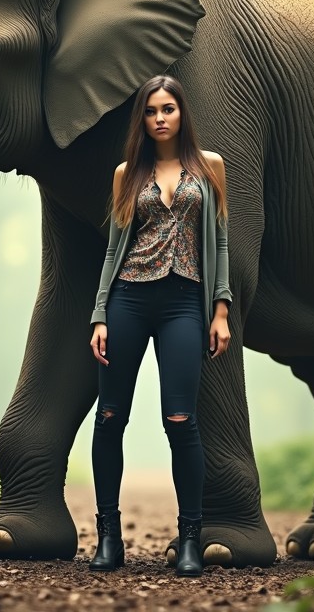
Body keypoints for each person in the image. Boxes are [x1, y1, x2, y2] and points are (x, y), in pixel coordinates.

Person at [87, 75, 231, 577]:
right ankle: (108, 537)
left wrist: (220, 309)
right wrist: (100, 314)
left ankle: (190, 536)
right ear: (142, 121)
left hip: (183, 304)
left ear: (182, 113)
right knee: (110, 417)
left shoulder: (209, 167)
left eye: (168, 108)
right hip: (129, 297)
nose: (160, 118)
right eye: (151, 111)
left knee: (181, 421)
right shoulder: (127, 173)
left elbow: (221, 244)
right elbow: (112, 250)